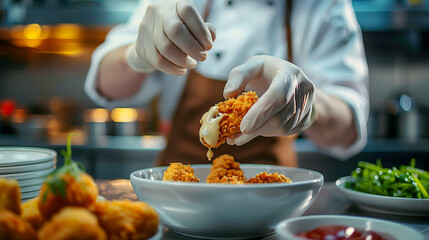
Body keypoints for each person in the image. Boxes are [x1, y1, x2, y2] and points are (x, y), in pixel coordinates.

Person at [85, 0, 369, 167]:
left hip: (271, 205)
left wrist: (310, 107)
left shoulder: (323, 5)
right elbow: (105, 84)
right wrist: (137, 56)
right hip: (178, 200)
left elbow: (348, 130)